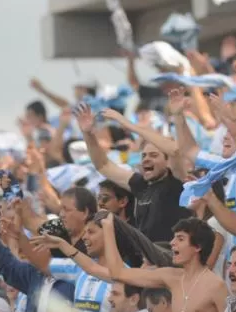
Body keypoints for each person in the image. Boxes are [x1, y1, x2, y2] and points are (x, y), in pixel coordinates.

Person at [101, 214, 227, 312]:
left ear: (197, 247)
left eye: (180, 239)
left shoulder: (216, 286)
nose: (172, 243)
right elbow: (117, 273)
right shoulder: (170, 277)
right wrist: (108, 228)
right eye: (174, 238)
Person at [76, 104, 191, 243]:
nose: (147, 159)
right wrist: (88, 134)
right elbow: (103, 165)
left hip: (171, 255)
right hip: (147, 258)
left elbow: (175, 151)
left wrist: (128, 125)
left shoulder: (177, 183)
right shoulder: (140, 184)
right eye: (144, 156)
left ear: (167, 162)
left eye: (154, 155)